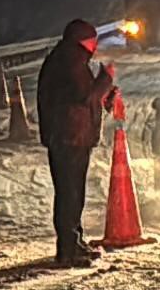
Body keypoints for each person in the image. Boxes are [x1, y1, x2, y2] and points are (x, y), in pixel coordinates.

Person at [37, 19, 120, 265]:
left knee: (73, 193)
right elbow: (84, 95)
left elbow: (84, 96)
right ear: (83, 40)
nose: (95, 46)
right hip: (68, 137)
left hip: (70, 136)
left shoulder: (68, 58)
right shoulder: (70, 60)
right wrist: (105, 79)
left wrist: (105, 94)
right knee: (69, 193)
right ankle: (68, 250)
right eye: (93, 40)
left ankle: (75, 241)